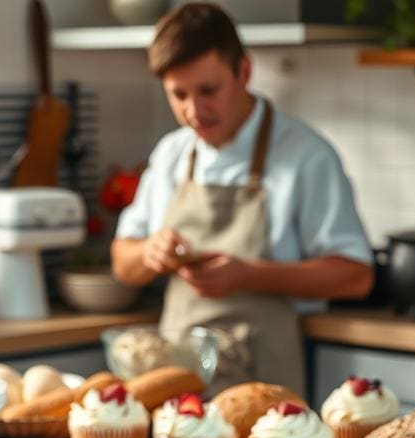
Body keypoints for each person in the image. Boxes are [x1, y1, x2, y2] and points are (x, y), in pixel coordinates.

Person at [111, 2, 373, 396]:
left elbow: (356, 275)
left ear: (244, 72)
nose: (194, 111)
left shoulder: (306, 155)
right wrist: (151, 252)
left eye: (208, 91)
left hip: (264, 387)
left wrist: (248, 275)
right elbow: (122, 264)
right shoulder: (172, 154)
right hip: (176, 383)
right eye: (178, 95)